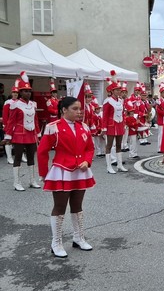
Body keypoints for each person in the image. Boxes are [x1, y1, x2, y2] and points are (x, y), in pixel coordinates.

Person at [37, 96, 96, 258]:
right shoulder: (52, 127)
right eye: (75, 109)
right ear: (64, 110)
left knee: (77, 205)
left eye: (80, 109)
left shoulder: (84, 127)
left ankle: (78, 238)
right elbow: (42, 151)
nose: (79, 112)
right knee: (60, 206)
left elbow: (90, 148)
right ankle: (56, 242)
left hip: (81, 171)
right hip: (62, 171)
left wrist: (87, 161)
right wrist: (43, 173)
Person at [2, 71, 41, 191]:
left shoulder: (33, 104)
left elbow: (35, 121)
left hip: (31, 134)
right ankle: (16, 182)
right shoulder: (15, 105)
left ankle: (32, 180)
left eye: (29, 91)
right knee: (18, 157)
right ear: (20, 92)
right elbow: (11, 121)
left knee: (31, 157)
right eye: (25, 91)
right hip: (19, 134)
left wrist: (38, 134)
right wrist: (8, 137)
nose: (28, 93)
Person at [102, 70, 128, 174]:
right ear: (112, 91)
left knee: (119, 145)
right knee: (109, 146)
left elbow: (122, 113)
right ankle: (109, 166)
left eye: (119, 90)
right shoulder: (108, 101)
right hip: (111, 125)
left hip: (119, 125)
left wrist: (124, 123)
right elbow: (105, 115)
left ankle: (119, 164)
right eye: (116, 90)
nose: (118, 91)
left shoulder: (121, 101)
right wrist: (104, 128)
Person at [2, 82, 19, 165]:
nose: (15, 94)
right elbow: (5, 115)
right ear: (11, 93)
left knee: (19, 140)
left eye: (16, 93)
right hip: (9, 124)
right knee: (8, 140)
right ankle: (9, 157)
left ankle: (20, 155)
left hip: (18, 125)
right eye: (14, 92)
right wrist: (5, 125)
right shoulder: (7, 102)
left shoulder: (20, 102)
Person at [155, 82, 164, 151]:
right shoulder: (159, 101)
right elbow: (158, 110)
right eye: (163, 93)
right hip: (161, 120)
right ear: (161, 93)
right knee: (161, 134)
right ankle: (159, 148)